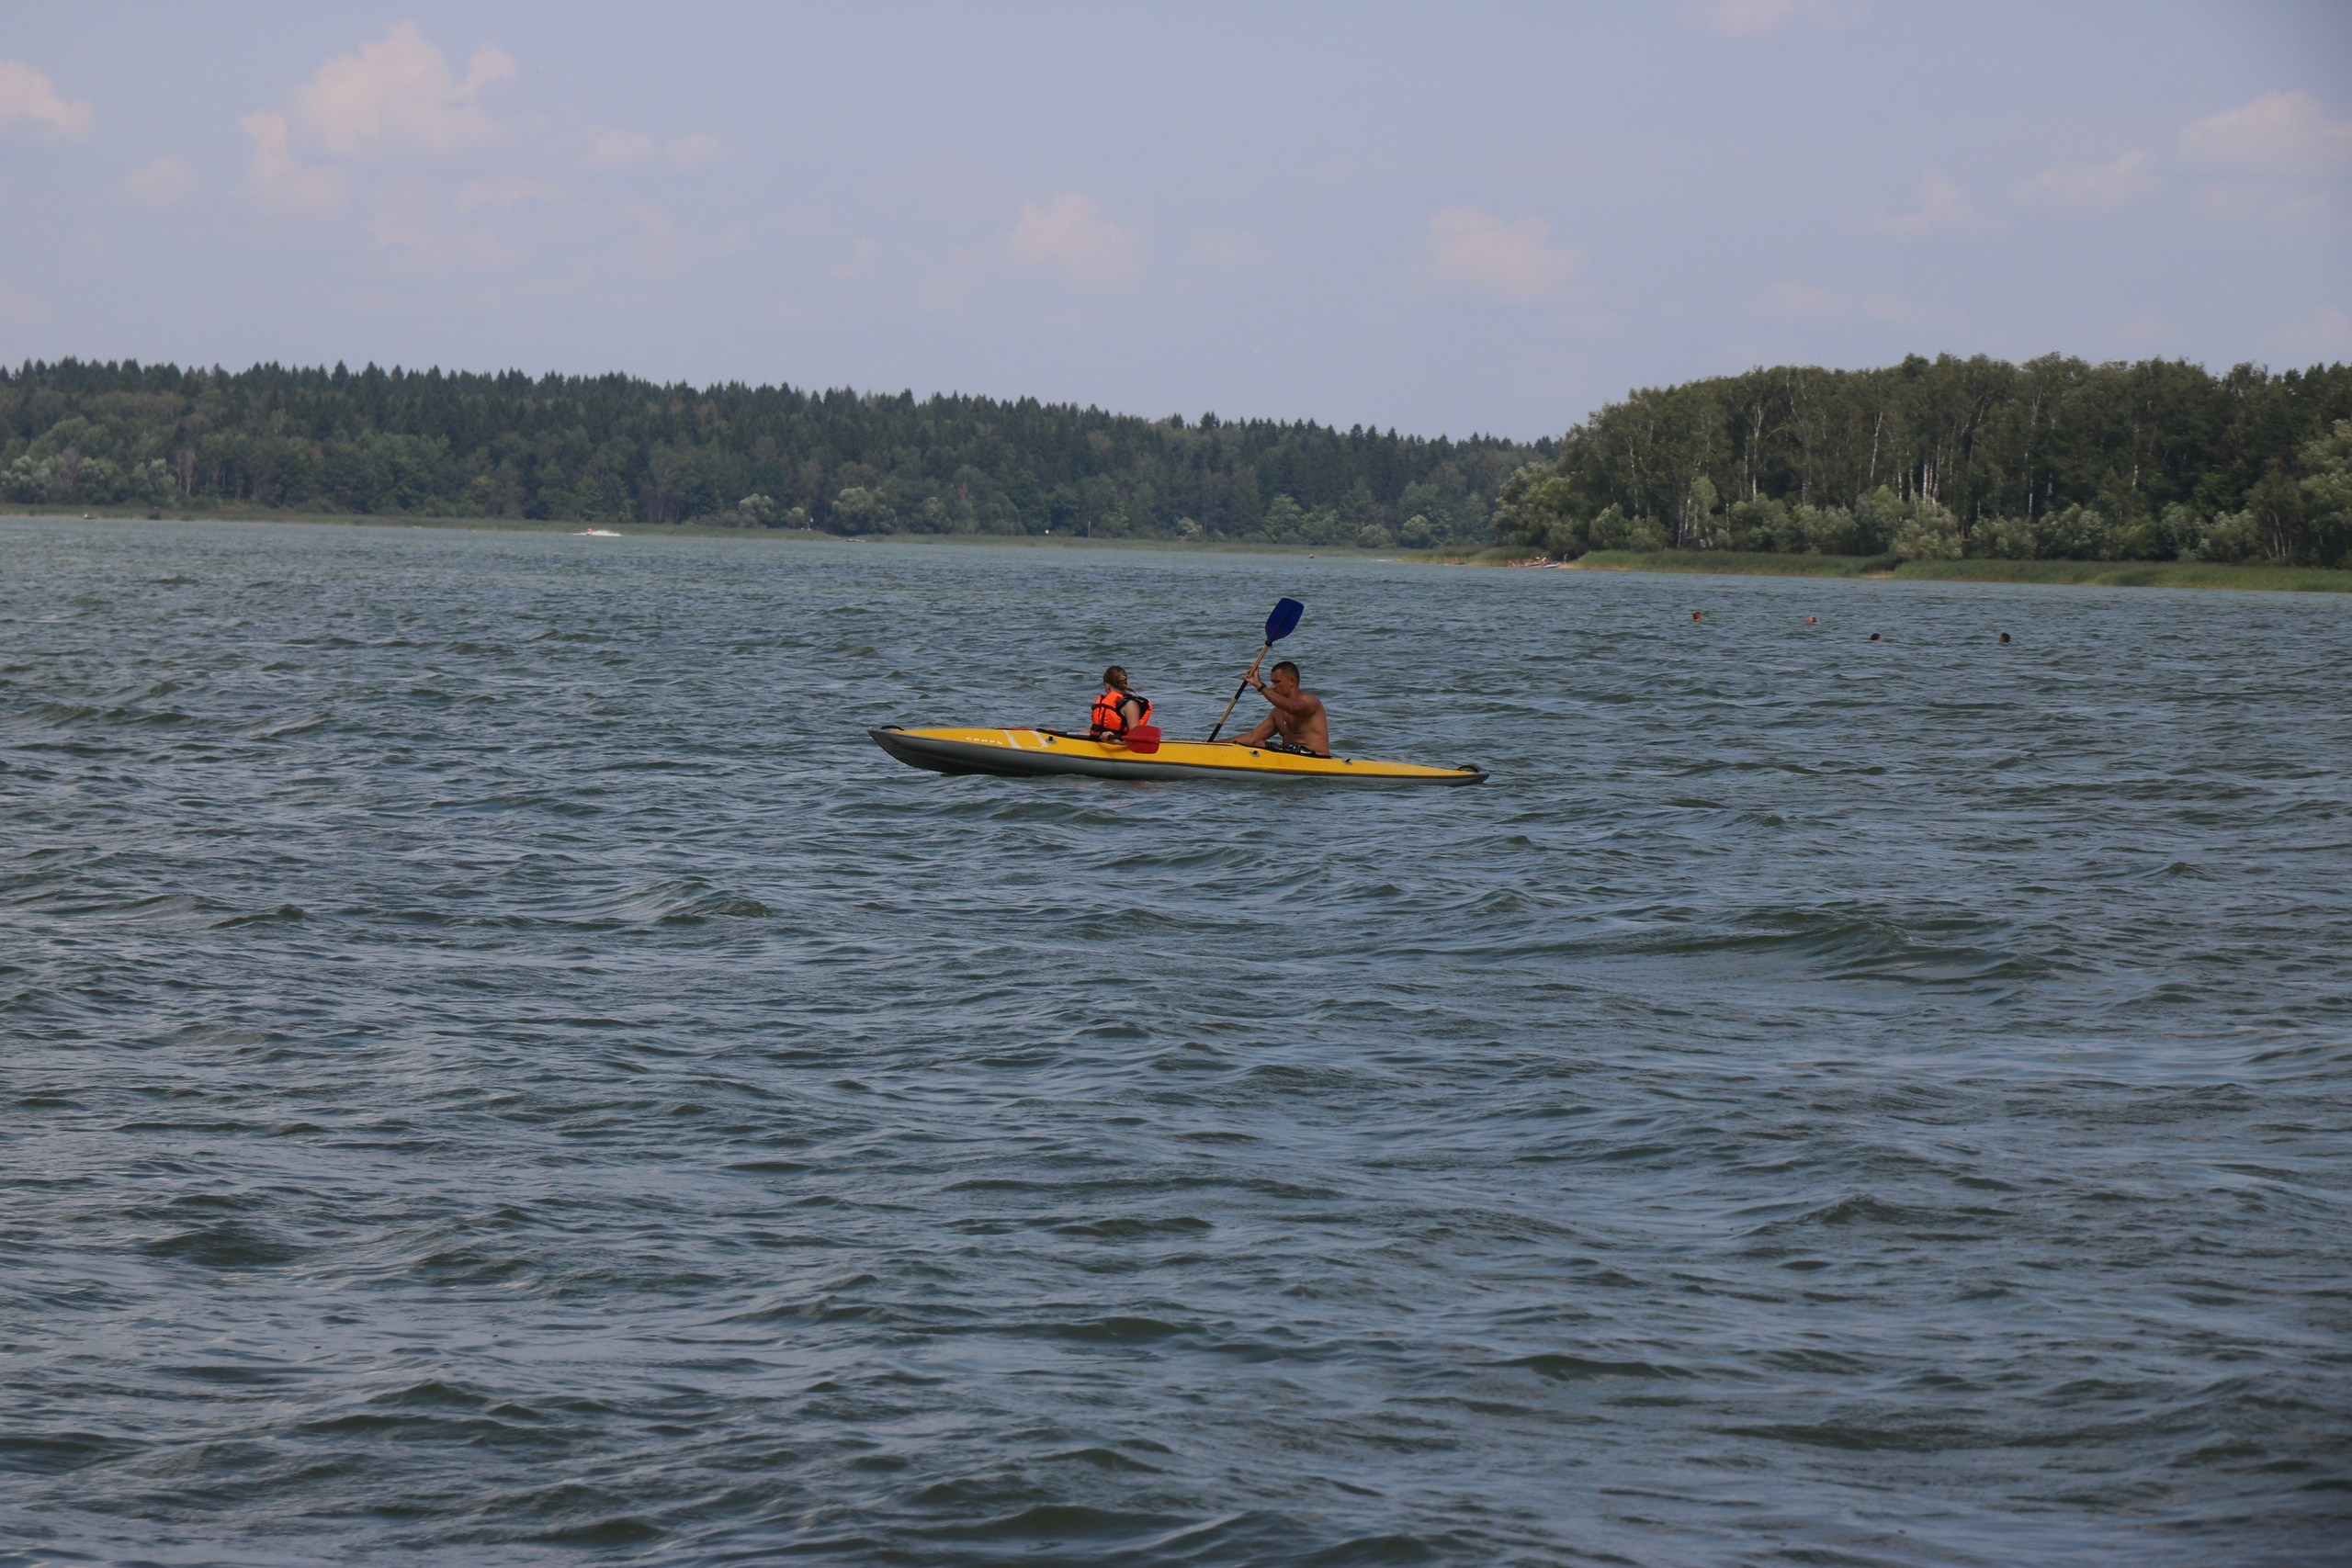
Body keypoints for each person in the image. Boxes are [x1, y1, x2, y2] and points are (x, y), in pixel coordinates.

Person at [1228, 660, 1329, 756]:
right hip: (1290, 758)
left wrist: (1260, 686)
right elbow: (1252, 738)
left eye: (1277, 682)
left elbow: (1293, 707)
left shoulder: (1311, 701)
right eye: (1272, 682)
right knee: (1256, 743)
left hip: (1315, 757)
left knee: (1260, 745)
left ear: (1291, 681)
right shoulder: (1277, 713)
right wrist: (1215, 744)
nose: (1273, 686)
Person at [1089, 666, 1153, 740]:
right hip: (1102, 741)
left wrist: (1115, 741)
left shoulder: (1130, 704)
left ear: (1107, 686)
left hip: (1121, 744)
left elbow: (1136, 739)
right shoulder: (1105, 702)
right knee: (1085, 731)